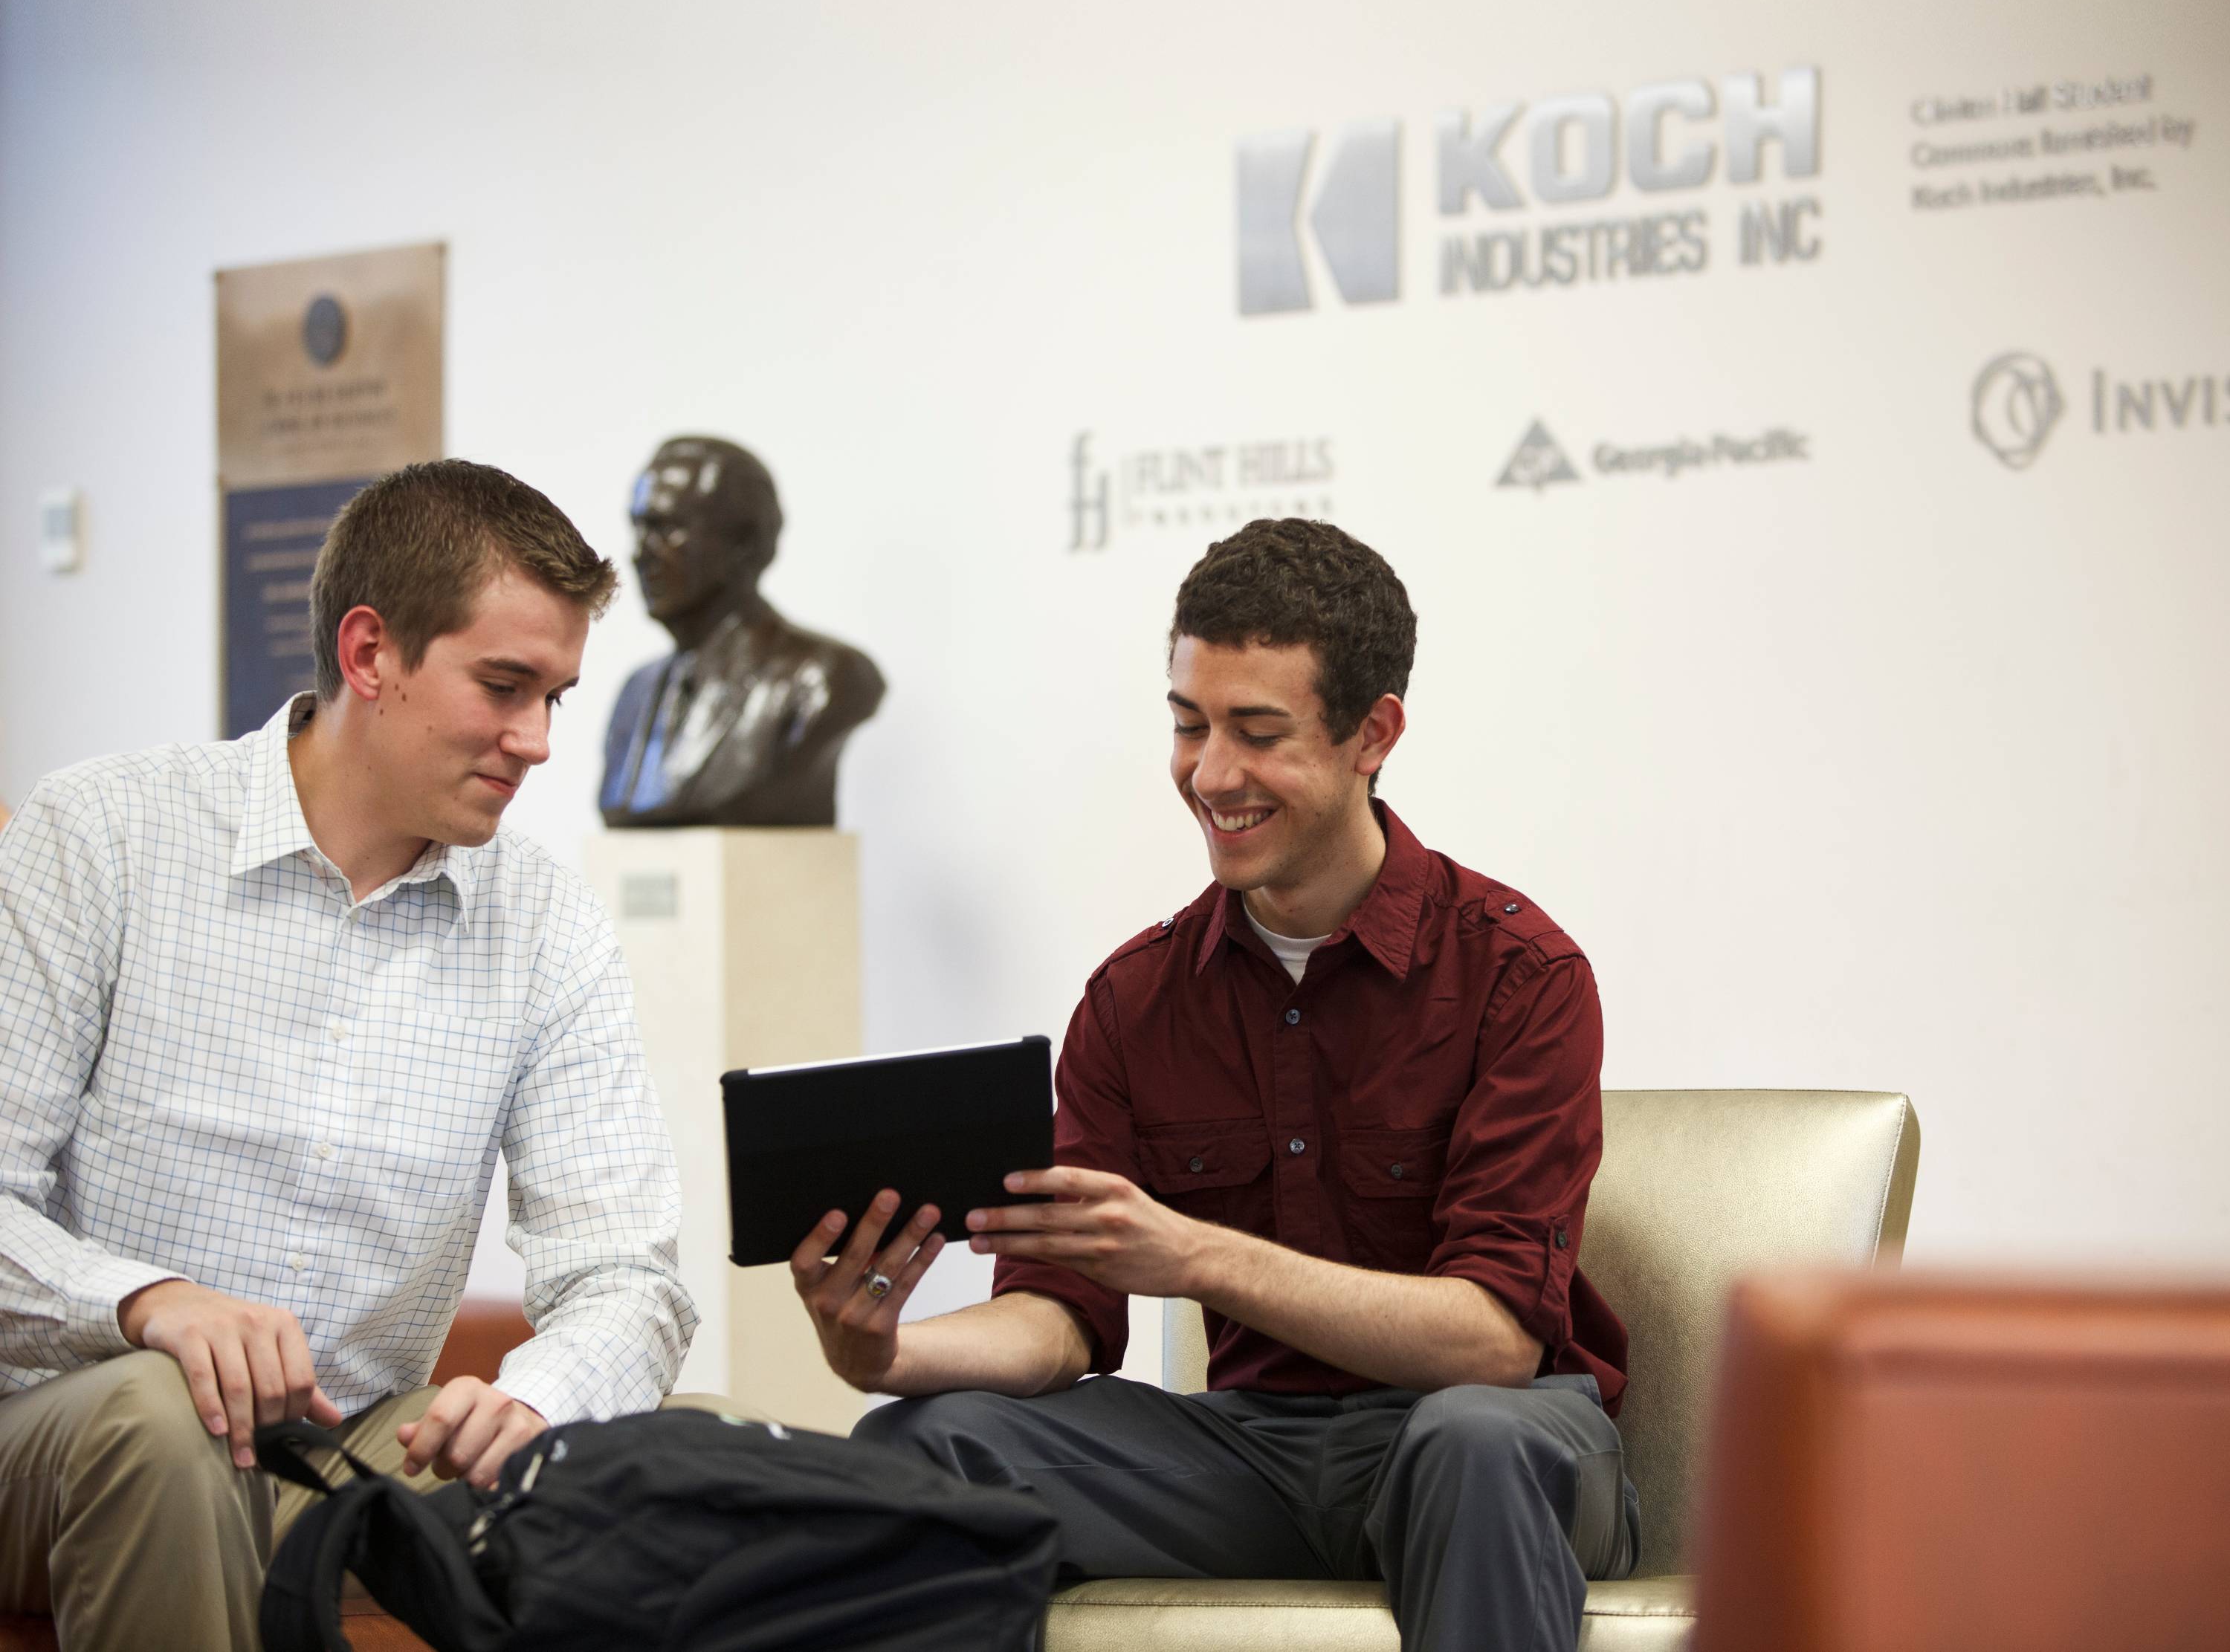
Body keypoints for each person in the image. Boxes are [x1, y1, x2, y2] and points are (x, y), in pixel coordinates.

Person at [792, 519, 1636, 1652]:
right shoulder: (1135, 1000)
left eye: (1258, 731)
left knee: (1470, 1440)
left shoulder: (1518, 975)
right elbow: (1058, 1316)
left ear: (1371, 734)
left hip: (1506, 1444)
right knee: (922, 1447)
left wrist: (1189, 1255)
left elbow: (1490, 1341)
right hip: (1255, 1453)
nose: (1211, 772)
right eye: (1189, 724)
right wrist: (888, 1353)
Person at [0, 459, 697, 1650]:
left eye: (556, 698)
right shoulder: (103, 835)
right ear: (370, 654)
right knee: (163, 1421)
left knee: (691, 1475)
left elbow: (630, 1275)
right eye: (503, 685)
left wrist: (533, 1397)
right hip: (70, 1425)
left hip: (354, 1445)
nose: (535, 741)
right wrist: (150, 1303)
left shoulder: (546, 924)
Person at [598, 435, 885, 826]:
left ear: (744, 543)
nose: (639, 553)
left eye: (666, 529)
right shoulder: (636, 692)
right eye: (638, 528)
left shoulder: (824, 677)